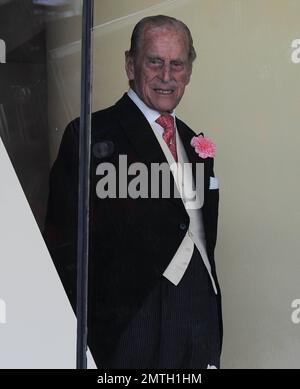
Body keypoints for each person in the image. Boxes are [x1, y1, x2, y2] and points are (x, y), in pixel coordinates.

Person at [44, 15, 222, 369]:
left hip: (200, 314)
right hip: (129, 324)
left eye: (177, 64)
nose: (166, 76)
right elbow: (64, 248)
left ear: (188, 71)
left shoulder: (193, 140)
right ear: (130, 64)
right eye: (154, 62)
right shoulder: (89, 135)